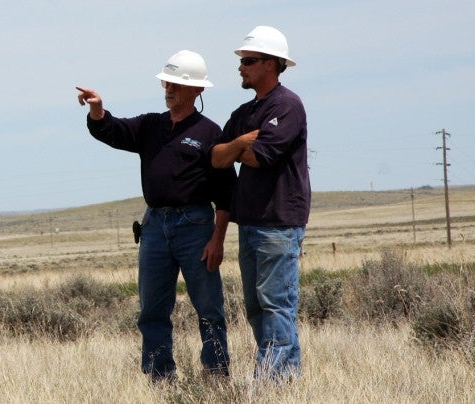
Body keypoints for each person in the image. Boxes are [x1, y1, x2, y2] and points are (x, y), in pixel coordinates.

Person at [77, 50, 235, 381]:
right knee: (152, 310)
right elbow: (113, 130)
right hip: (154, 227)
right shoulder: (151, 125)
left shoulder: (210, 133)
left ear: (198, 90)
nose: (169, 88)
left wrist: (217, 239)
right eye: (167, 81)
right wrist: (97, 110)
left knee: (208, 309)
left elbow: (225, 194)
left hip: (195, 228)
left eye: (177, 83)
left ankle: (216, 376)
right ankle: (160, 378)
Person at [211, 26, 310, 381]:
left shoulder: (287, 106)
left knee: (275, 306)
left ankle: (265, 385)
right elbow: (218, 157)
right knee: (258, 309)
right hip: (251, 222)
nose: (241, 67)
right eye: (242, 61)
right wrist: (242, 141)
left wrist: (239, 149)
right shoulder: (244, 113)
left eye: (249, 61)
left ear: (272, 64)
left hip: (279, 223)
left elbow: (260, 158)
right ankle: (287, 382)